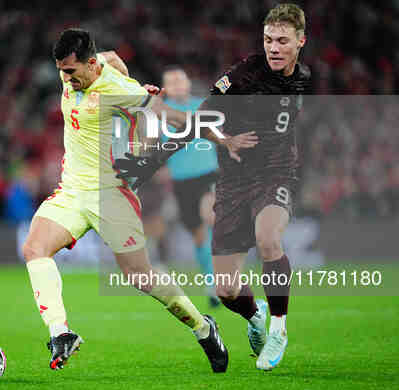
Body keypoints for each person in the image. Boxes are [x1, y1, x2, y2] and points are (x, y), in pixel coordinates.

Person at [113, 3, 311, 371]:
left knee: (269, 239)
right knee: (226, 290)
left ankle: (279, 329)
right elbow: (196, 122)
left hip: (275, 176)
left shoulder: (302, 76)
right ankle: (255, 318)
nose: (274, 48)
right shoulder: (241, 78)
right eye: (268, 39)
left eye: (283, 40)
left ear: (301, 41)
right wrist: (152, 160)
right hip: (234, 183)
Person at [22, 28, 228, 372]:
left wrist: (216, 135)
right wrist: (128, 74)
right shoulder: (89, 67)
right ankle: (61, 333)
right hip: (72, 190)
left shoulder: (119, 91)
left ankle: (203, 328)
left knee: (140, 275)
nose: (65, 79)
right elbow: (114, 56)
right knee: (34, 249)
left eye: (71, 72)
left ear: (89, 64)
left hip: (112, 194)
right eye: (61, 71)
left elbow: (169, 114)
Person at [161, 66, 220, 307]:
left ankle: (222, 278)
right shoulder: (160, 113)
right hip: (181, 180)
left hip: (208, 174)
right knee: (198, 236)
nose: (176, 85)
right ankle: (212, 282)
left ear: (187, 84)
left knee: (210, 217)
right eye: (171, 82)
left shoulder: (203, 106)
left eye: (180, 81)